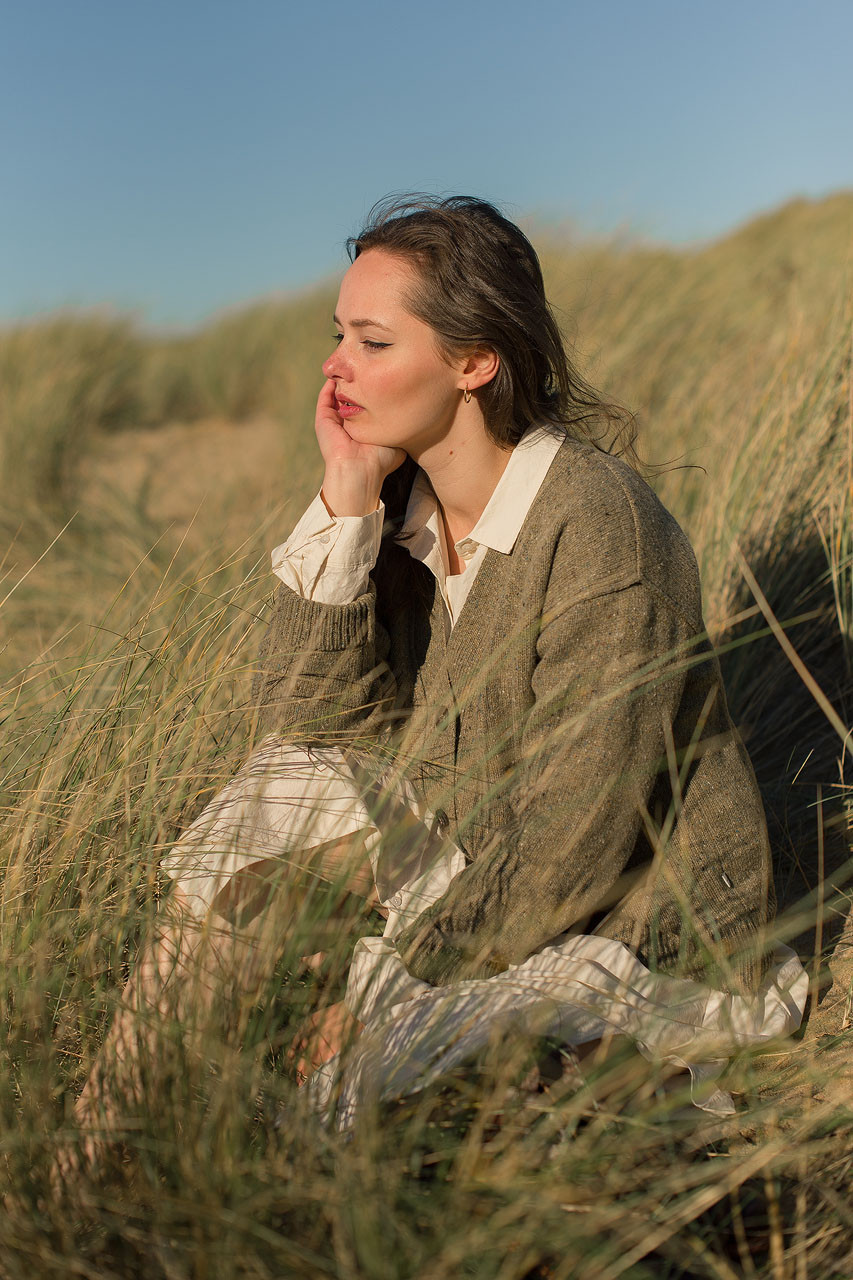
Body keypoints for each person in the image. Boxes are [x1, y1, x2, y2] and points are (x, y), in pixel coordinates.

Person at [71, 196, 807, 1153]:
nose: (334, 366)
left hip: (632, 924)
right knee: (271, 806)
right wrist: (345, 504)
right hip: (473, 878)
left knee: (380, 1114)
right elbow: (302, 743)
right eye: (337, 335)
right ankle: (93, 1148)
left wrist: (392, 983)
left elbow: (574, 839)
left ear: (473, 362)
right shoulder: (400, 509)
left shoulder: (599, 527)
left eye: (372, 341)